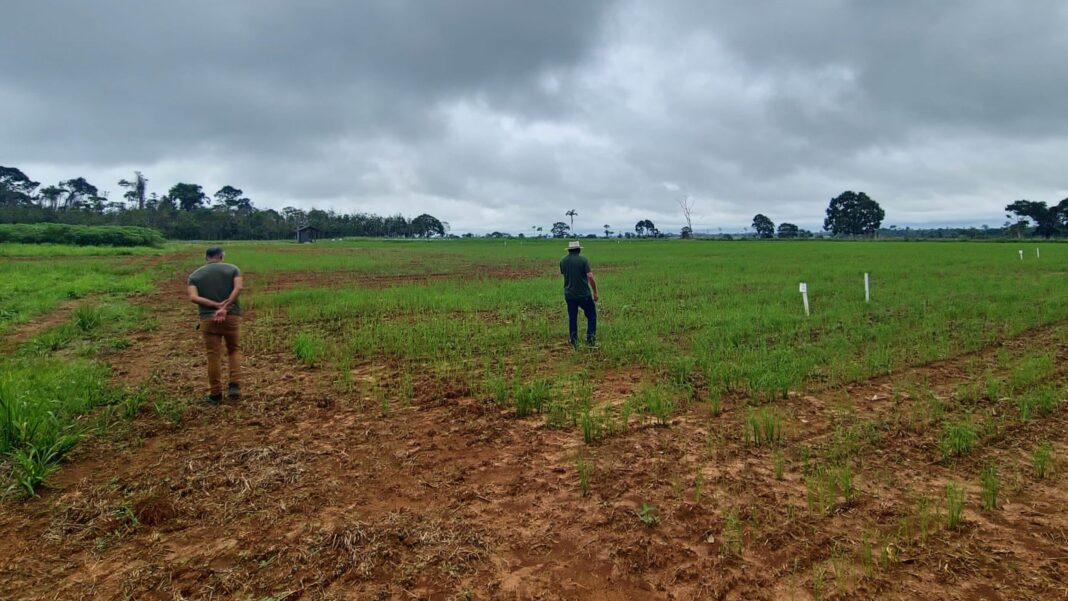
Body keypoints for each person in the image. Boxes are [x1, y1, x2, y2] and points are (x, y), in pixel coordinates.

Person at [187, 246, 244, 404]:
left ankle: (216, 394)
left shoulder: (195, 275)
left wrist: (215, 306)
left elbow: (193, 297)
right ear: (221, 256)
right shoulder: (233, 269)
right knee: (233, 350)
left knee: (213, 356)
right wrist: (225, 307)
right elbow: (239, 287)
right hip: (231, 316)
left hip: (208, 319)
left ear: (206, 257)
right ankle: (234, 385)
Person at [559, 240, 599, 347]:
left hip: (569, 295)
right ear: (579, 249)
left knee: (572, 317)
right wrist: (595, 292)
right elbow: (590, 276)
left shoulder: (563, 261)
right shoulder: (583, 260)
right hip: (583, 294)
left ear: (569, 250)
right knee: (591, 316)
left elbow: (565, 274)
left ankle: (573, 340)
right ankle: (590, 340)